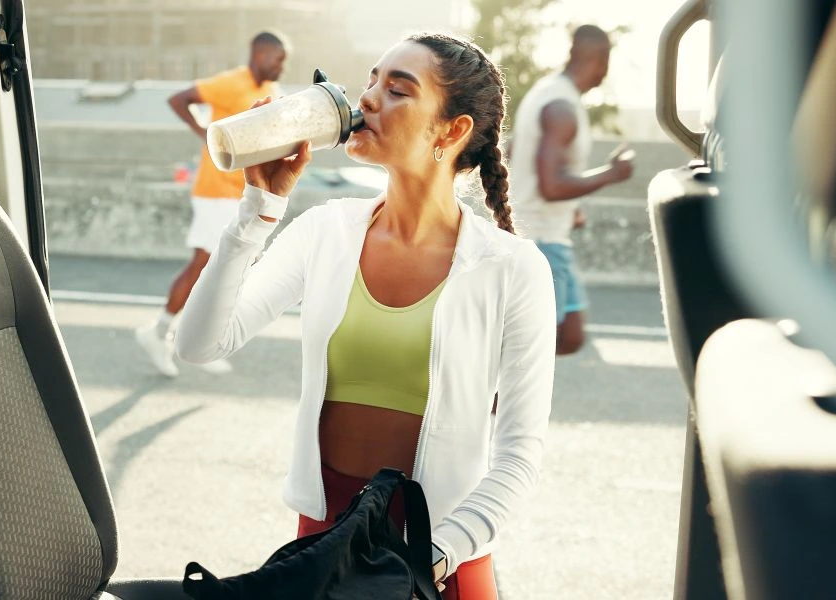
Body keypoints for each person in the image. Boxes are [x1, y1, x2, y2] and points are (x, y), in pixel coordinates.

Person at [175, 32, 556, 599]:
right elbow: (199, 344)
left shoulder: (511, 267)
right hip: (324, 549)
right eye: (371, 81)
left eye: (398, 90)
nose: (370, 99)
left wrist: (431, 557)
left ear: (452, 132)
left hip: (440, 562)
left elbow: (519, 455)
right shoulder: (324, 231)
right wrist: (258, 211)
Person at [134, 31, 289, 377]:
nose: (282, 66)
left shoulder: (270, 92)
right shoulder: (231, 82)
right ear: (260, 54)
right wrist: (205, 134)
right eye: (278, 59)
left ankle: (200, 338)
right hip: (214, 190)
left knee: (231, 269)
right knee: (204, 265)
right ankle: (159, 333)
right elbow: (179, 99)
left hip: (240, 193)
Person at [508, 24, 634, 355]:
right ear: (601, 61)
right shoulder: (561, 107)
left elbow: (514, 155)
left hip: (549, 232)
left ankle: (498, 398)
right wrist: (611, 173)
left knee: (570, 336)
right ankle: (489, 403)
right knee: (531, 350)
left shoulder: (546, 92)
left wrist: (571, 205)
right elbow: (551, 186)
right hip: (541, 239)